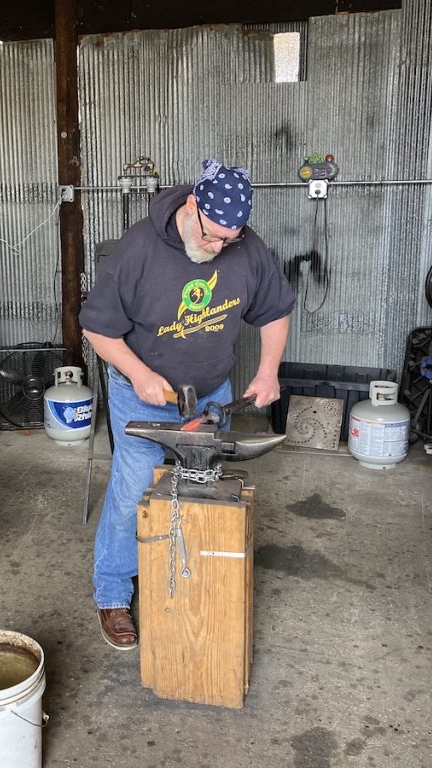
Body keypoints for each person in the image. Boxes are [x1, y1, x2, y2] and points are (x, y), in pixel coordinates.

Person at [79, 158, 296, 649]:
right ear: (192, 206)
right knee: (134, 488)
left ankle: (190, 579)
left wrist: (267, 370)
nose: (218, 247)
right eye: (213, 236)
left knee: (202, 488)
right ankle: (112, 593)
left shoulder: (247, 248)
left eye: (228, 240)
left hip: (211, 394)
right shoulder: (138, 249)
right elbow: (96, 326)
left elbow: (276, 310)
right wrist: (139, 373)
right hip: (144, 394)